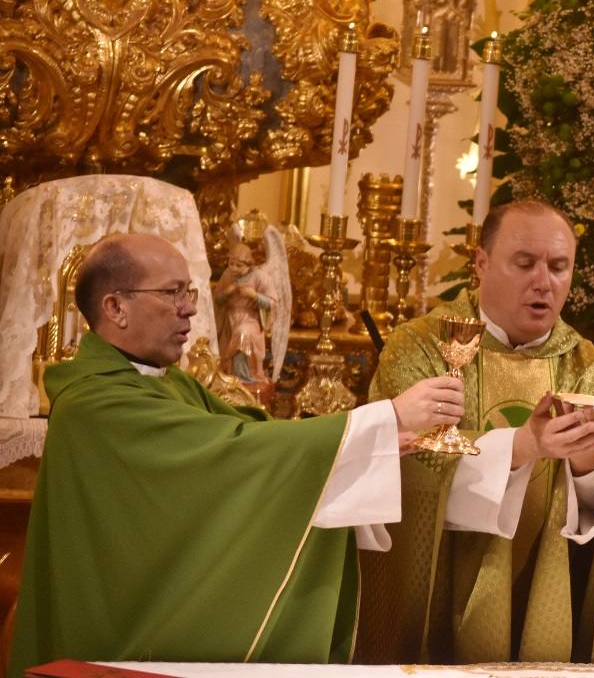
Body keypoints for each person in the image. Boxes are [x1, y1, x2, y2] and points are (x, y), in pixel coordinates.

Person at [8, 233, 474, 675]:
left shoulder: (167, 382)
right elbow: (234, 455)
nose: (190, 308)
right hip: (117, 637)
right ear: (115, 307)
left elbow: (249, 437)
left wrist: (364, 447)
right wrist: (384, 417)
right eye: (172, 293)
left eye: (189, 291)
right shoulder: (96, 403)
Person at [358, 200, 594, 664]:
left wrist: (589, 461)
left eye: (559, 266)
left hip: (542, 594)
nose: (543, 282)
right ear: (481, 263)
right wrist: (522, 446)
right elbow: (407, 463)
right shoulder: (421, 348)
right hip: (433, 595)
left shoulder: (590, 368)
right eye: (524, 263)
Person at [213, 242, 274, 386]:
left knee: (243, 333)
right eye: (231, 263)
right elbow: (217, 300)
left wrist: (254, 295)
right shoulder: (227, 275)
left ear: (250, 265)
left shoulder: (260, 277)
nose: (233, 268)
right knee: (230, 335)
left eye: (239, 266)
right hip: (229, 318)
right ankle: (230, 375)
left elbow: (271, 303)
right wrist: (228, 292)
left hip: (250, 318)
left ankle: (243, 377)